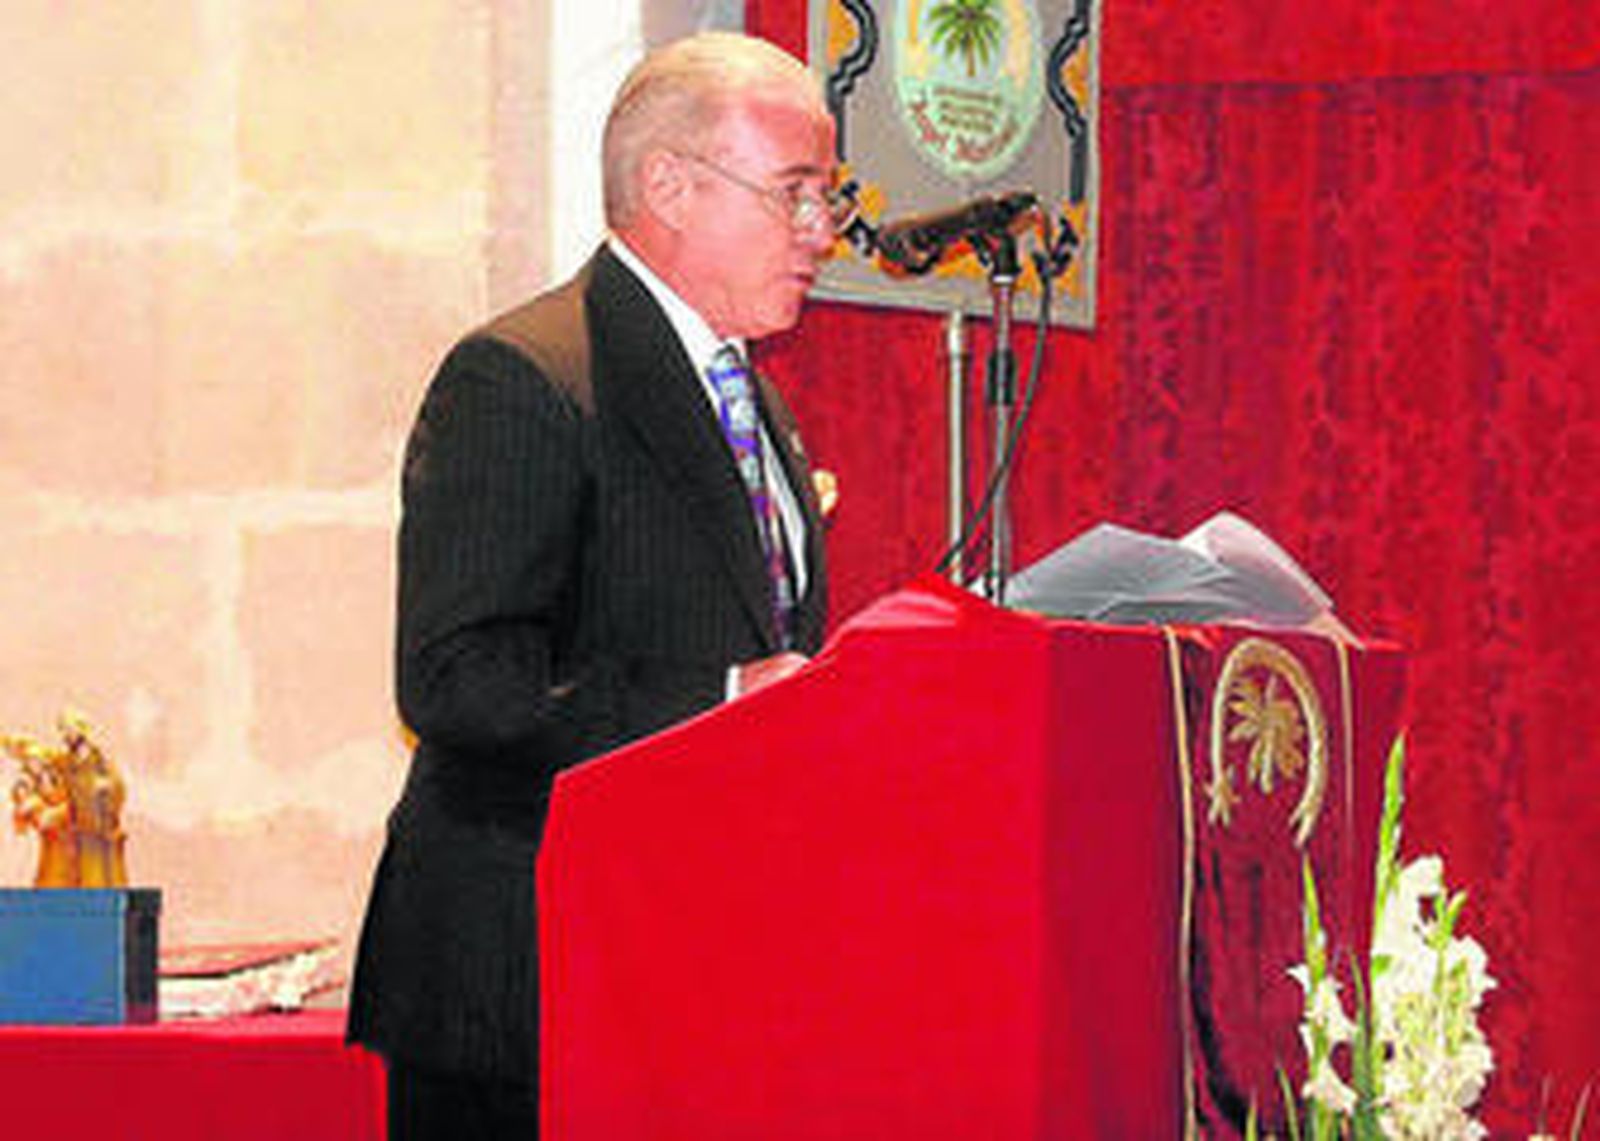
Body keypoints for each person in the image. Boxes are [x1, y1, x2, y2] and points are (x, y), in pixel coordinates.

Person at [347, 30, 836, 1141]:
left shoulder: (751, 399)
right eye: (793, 193)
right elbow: (455, 678)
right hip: (527, 981)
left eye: (825, 196)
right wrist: (719, 696)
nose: (818, 232)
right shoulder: (524, 374)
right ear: (668, 183)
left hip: (683, 971)